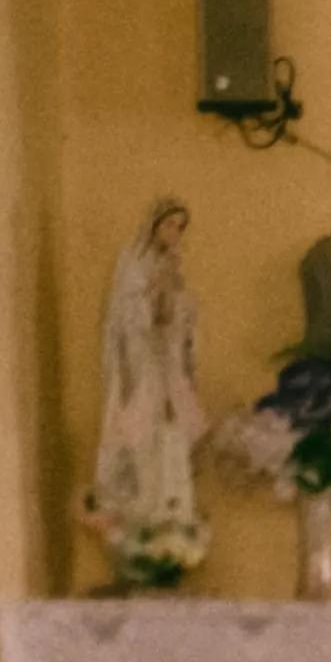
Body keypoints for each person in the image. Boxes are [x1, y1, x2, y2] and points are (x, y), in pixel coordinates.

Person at [80, 197, 209, 585]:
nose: (174, 234)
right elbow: (127, 319)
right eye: (169, 225)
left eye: (179, 228)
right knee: (140, 438)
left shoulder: (173, 267)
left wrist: (179, 310)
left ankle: (171, 520)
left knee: (173, 440)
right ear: (154, 226)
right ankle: (144, 521)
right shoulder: (133, 264)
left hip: (168, 367)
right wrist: (153, 300)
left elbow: (181, 323)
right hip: (142, 366)